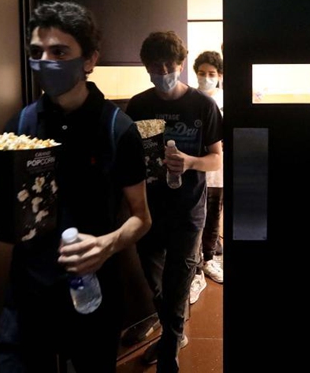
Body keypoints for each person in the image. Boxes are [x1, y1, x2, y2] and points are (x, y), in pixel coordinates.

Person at [0, 1, 151, 373]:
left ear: (89, 60)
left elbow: (142, 218)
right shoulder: (22, 122)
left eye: (59, 52)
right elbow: (13, 205)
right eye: (37, 52)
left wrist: (106, 244)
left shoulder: (118, 128)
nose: (46, 61)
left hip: (90, 290)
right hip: (28, 291)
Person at [126, 31, 223, 373]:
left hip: (188, 210)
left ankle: (170, 345)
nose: (163, 71)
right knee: (155, 280)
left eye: (169, 64)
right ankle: (171, 326)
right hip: (148, 210)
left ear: (181, 65)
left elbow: (216, 159)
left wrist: (190, 161)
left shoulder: (203, 106)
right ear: (147, 68)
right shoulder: (138, 105)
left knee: (179, 281)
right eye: (155, 66)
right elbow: (129, 155)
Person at [189, 50, 225, 305]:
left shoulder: (226, 100)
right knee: (195, 219)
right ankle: (195, 271)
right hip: (195, 169)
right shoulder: (190, 101)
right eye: (201, 74)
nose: (206, 78)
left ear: (220, 75)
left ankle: (210, 259)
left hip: (219, 169)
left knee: (214, 216)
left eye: (211, 74)